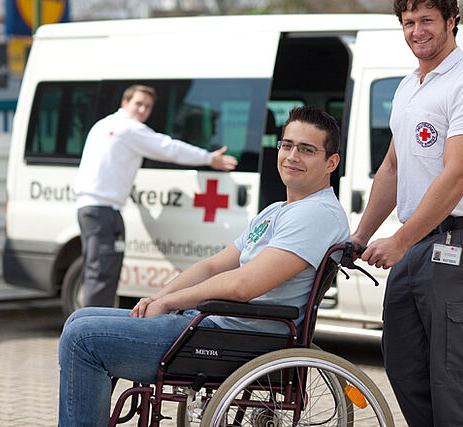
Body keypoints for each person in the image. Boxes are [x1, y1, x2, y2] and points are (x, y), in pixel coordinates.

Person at [59, 106, 349, 426]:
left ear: (330, 163)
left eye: (307, 149)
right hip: (214, 326)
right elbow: (213, 267)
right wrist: (158, 299)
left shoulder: (316, 214)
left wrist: (170, 302)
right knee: (80, 317)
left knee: (83, 339)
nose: (292, 155)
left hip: (235, 340)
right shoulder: (278, 210)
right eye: (287, 145)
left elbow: (244, 285)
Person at [350, 1, 463, 426]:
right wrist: (361, 235)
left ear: (452, 21)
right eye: (409, 22)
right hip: (415, 242)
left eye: (427, 20)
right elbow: (393, 167)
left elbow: (457, 175)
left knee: (456, 380)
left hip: (458, 241)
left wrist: (399, 240)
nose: (417, 31)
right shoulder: (408, 87)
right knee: (403, 365)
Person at [74, 84, 238, 308]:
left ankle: (89, 323)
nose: (143, 110)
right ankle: (89, 329)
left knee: (96, 272)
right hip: (103, 211)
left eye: (148, 107)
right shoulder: (129, 129)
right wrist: (209, 158)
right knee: (102, 275)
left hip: (92, 209)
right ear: (125, 103)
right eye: (138, 104)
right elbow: (168, 148)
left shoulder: (103, 125)